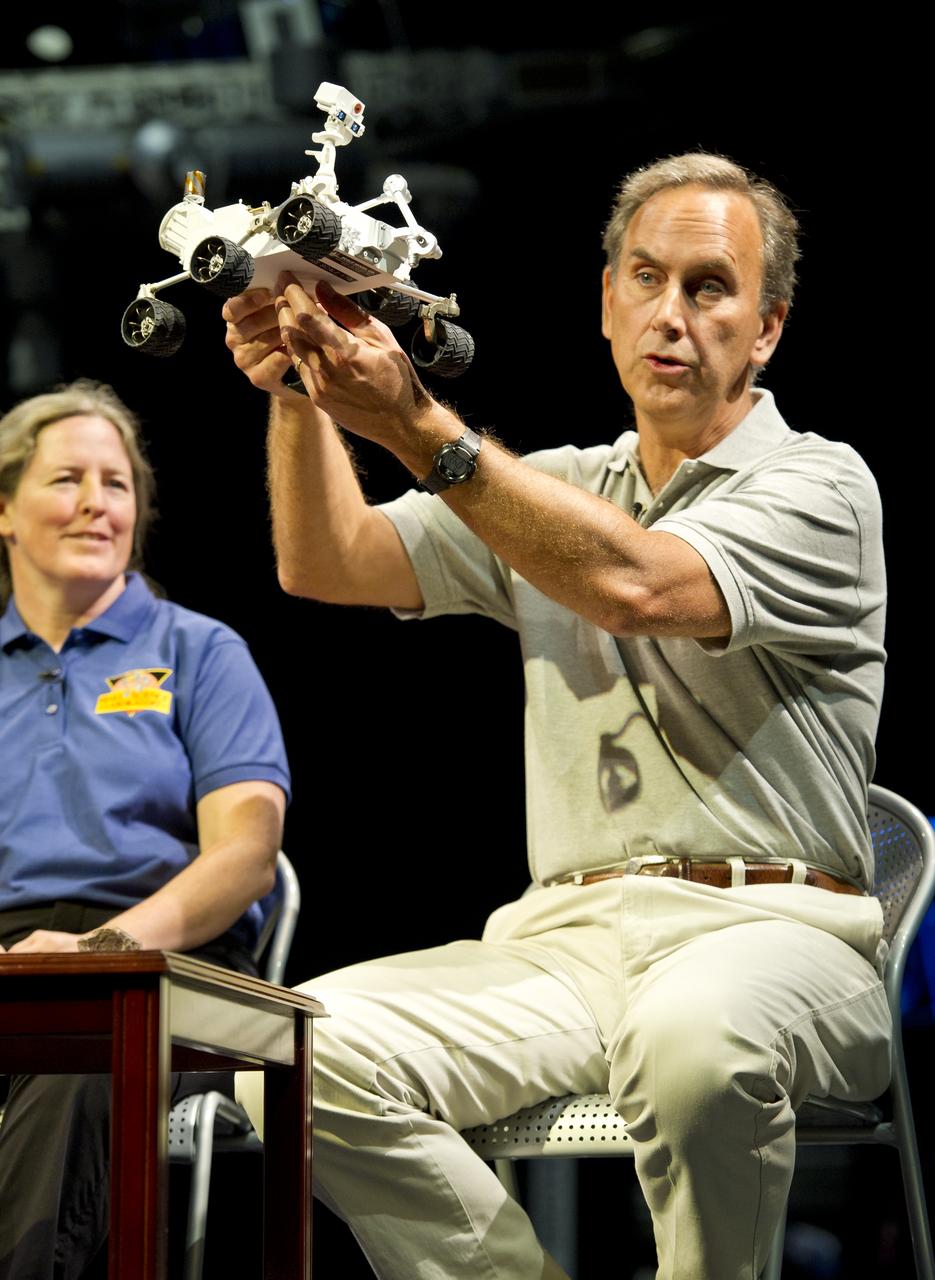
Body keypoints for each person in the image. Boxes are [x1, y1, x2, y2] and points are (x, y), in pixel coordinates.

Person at [222, 154, 891, 1279]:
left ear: (766, 329)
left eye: (708, 287)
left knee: (695, 1042)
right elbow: (326, 560)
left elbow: (635, 585)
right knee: (291, 1050)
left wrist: (416, 424)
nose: (670, 314)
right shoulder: (556, 486)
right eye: (645, 278)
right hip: (563, 943)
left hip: (774, 933)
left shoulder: (821, 487)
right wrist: (301, 386)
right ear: (605, 302)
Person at [0, 381, 290, 1279]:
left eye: (116, 483)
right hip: (12, 959)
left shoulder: (199, 651)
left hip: (166, 963)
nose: (96, 503)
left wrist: (104, 952)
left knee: (79, 1058)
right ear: (5, 511)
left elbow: (246, 854)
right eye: (67, 480)